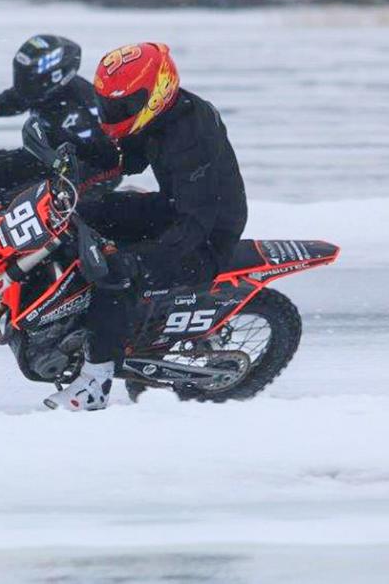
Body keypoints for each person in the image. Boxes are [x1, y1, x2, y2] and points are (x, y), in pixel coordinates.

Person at [44, 43, 248, 411]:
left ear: (157, 92)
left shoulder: (192, 137)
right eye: (107, 104)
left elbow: (196, 219)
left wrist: (137, 261)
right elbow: (128, 158)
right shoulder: (157, 116)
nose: (112, 113)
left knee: (115, 273)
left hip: (203, 234)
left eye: (121, 106)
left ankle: (94, 382)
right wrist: (71, 154)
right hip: (173, 207)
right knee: (83, 213)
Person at [0, 35, 121, 204]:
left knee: (3, 199)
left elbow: (103, 163)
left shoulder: (82, 108)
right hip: (42, 160)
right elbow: (14, 99)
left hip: (80, 178)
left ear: (52, 77)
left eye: (27, 80)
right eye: (22, 78)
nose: (22, 86)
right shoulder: (40, 91)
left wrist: (9, 198)